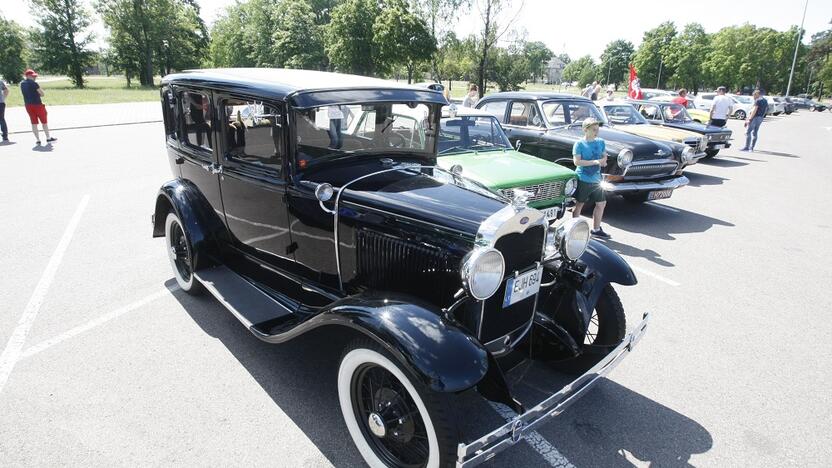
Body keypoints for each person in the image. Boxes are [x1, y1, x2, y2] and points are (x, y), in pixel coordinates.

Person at [572, 118, 610, 239]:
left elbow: (604, 156)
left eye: (597, 129)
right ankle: (573, 229)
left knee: (601, 203)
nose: (596, 132)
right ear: (585, 129)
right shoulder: (579, 144)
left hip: (597, 179)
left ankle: (596, 229)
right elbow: (577, 162)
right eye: (593, 129)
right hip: (583, 178)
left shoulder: (600, 142)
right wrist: (595, 162)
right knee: (579, 204)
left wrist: (604, 161)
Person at [20, 69, 56, 145]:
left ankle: (38, 140)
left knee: (34, 123)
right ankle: (48, 138)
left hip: (28, 105)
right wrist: (38, 93)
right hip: (37, 105)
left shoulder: (22, 84)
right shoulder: (34, 83)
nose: (35, 77)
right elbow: (42, 94)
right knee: (44, 122)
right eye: (33, 76)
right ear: (28, 76)